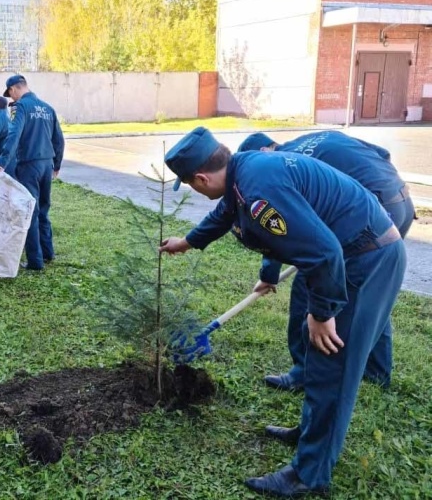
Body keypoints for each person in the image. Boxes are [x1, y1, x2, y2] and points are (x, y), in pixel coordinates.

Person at [159, 127, 405, 497]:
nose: (195, 191)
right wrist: (189, 242)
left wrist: (321, 313)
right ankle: (309, 434)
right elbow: (226, 214)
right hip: (353, 252)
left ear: (200, 178)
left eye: (190, 185)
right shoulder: (245, 170)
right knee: (316, 355)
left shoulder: (260, 192)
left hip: (364, 259)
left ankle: (309, 475)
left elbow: (324, 254)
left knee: (331, 363)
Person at [238, 131, 415, 393]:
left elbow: (279, 226)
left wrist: (269, 272)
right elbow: (381, 154)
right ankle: (377, 372)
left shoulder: (281, 165)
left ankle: (303, 372)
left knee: (308, 285)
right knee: (373, 290)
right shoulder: (320, 136)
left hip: (372, 213)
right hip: (400, 202)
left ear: (263, 152)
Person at [0, 75, 65, 270]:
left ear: (13, 90)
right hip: (47, 165)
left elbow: (14, 134)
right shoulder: (48, 108)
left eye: (10, 94)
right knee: (43, 209)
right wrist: (56, 165)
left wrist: (3, 159)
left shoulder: (21, 107)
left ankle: (35, 261)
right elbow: (59, 139)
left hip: (29, 166)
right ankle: (48, 252)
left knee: (29, 212)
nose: (12, 99)